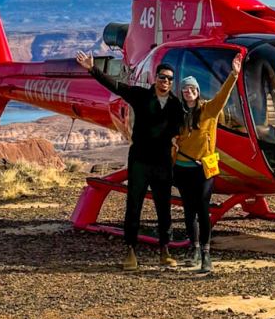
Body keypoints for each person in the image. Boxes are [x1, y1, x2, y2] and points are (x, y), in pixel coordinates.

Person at [75, 51, 185, 271]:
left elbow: (182, 128)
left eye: (170, 79)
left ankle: (165, 250)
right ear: (156, 78)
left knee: (163, 207)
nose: (166, 82)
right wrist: (92, 69)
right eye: (163, 77)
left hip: (162, 162)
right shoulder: (141, 96)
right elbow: (116, 86)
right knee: (133, 205)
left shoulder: (175, 105)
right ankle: (130, 252)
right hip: (140, 160)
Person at [174, 51, 245, 274]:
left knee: (203, 211)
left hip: (203, 169)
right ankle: (193, 248)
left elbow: (223, 95)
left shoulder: (209, 110)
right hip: (182, 169)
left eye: (192, 89)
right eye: (185, 89)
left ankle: (206, 254)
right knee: (188, 212)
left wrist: (234, 75)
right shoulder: (179, 113)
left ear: (197, 91)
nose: (189, 92)